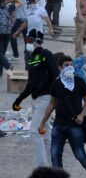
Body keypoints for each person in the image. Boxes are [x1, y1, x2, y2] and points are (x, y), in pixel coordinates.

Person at [38, 55, 86, 178]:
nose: (70, 67)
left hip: (75, 125)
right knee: (55, 155)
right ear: (60, 67)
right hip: (59, 125)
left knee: (80, 155)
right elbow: (52, 104)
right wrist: (42, 122)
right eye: (66, 65)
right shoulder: (56, 83)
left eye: (71, 65)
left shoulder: (79, 81)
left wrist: (81, 115)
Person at [12, 30, 58, 166]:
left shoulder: (47, 55)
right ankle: (52, 164)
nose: (27, 43)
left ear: (38, 41)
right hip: (36, 100)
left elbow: (56, 75)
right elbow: (31, 84)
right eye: (26, 40)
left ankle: (42, 166)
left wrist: (59, 97)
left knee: (34, 130)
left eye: (30, 40)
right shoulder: (32, 59)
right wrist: (19, 99)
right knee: (46, 131)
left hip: (47, 98)